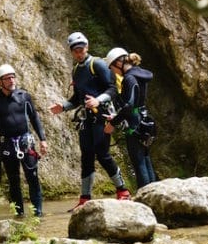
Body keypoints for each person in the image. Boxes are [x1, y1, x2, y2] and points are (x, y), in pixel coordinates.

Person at [49, 32, 131, 211]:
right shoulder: (76, 70)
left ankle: (123, 191)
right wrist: (63, 107)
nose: (79, 53)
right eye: (75, 50)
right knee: (86, 157)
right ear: (71, 52)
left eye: (81, 49)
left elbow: (112, 89)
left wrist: (98, 100)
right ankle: (85, 198)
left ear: (87, 47)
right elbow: (77, 98)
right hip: (86, 119)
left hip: (101, 116)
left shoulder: (97, 64)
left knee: (102, 154)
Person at [0, 64, 49, 217]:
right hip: (6, 144)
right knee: (13, 182)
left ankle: (37, 213)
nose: (11, 80)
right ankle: (19, 214)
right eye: (7, 78)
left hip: (26, 142)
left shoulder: (24, 96)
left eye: (13, 77)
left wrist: (43, 140)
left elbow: (34, 118)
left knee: (32, 178)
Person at [103, 48, 158, 188]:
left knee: (138, 160)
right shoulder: (139, 74)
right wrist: (117, 116)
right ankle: (154, 193)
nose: (113, 72)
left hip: (134, 122)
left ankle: (144, 197)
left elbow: (129, 105)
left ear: (118, 63)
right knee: (145, 158)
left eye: (112, 68)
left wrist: (113, 123)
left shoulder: (129, 77)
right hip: (142, 117)